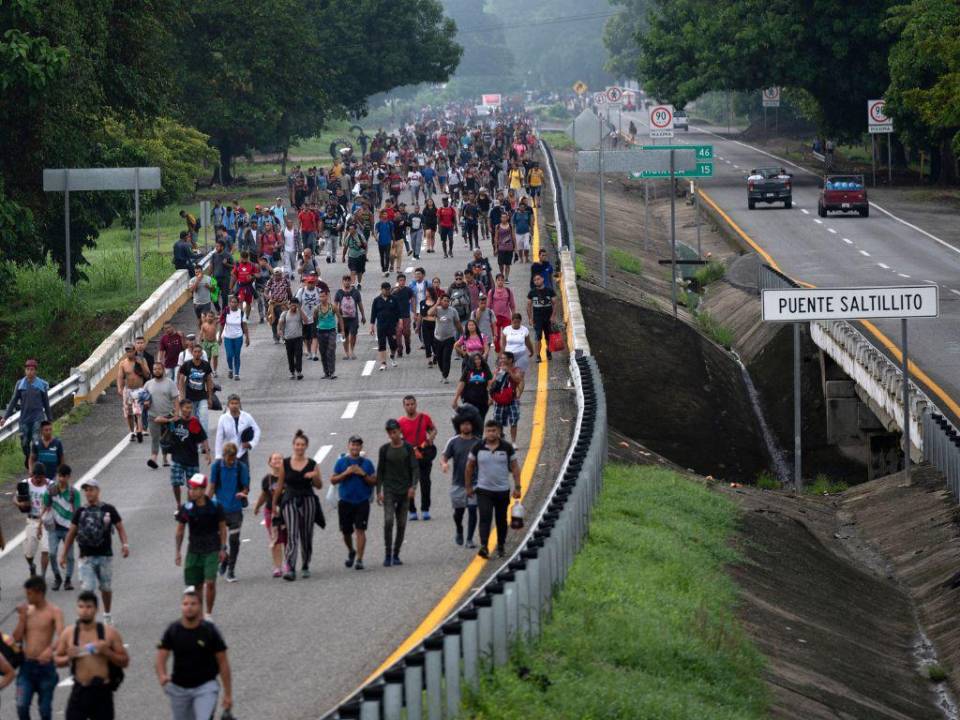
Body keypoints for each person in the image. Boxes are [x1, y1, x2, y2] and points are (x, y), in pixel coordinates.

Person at [59, 479, 129, 626]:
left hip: (105, 556)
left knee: (105, 588)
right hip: (86, 558)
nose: (88, 493)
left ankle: (107, 614)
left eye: (91, 489)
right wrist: (64, 554)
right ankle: (88, 619)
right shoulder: (80, 511)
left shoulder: (108, 509)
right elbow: (71, 533)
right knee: (87, 590)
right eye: (86, 490)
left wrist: (125, 544)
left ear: (98, 491)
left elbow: (120, 527)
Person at [156, 589, 233, 719]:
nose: (189, 607)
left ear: (200, 606)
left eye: (193, 604)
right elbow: (161, 657)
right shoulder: (173, 630)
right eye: (185, 604)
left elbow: (223, 662)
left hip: (206, 686)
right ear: (181, 606)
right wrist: (162, 675)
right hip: (179, 688)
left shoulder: (209, 631)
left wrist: (228, 694)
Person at [54, 590, 129, 720]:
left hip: (102, 692)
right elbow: (56, 660)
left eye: (89, 607)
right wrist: (69, 658)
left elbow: (125, 661)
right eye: (81, 606)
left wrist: (107, 652)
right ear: (76, 608)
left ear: (96, 609)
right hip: (79, 690)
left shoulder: (109, 633)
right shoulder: (69, 633)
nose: (84, 610)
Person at [465, 420, 522, 559]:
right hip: (484, 490)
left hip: (502, 491)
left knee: (501, 519)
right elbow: (469, 467)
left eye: (494, 430)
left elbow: (515, 467)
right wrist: (468, 487)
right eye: (488, 430)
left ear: (499, 432)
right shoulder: (477, 447)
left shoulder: (507, 447)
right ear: (485, 432)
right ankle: (484, 546)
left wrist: (518, 486)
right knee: (485, 517)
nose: (491, 433)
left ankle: (501, 545)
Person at [272, 430, 323, 581]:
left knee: (306, 534)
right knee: (292, 534)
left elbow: (319, 486)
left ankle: (305, 564)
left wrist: (314, 477)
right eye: (297, 444)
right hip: (290, 500)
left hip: (307, 499)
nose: (299, 447)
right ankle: (291, 567)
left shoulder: (312, 464)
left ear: (306, 446)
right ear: (293, 446)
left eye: (302, 445)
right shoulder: (285, 464)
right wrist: (275, 505)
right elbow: (280, 485)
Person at [175, 474, 226, 618]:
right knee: (196, 586)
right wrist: (178, 551)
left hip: (212, 549)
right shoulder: (187, 508)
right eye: (191, 488)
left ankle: (208, 615)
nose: (192, 491)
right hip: (194, 550)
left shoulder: (215, 506)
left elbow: (222, 528)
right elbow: (180, 530)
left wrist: (223, 548)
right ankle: (200, 615)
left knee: (210, 582)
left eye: (196, 489)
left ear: (203, 490)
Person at [13, 576, 63, 720]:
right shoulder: (26, 612)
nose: (27, 597)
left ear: (39, 592)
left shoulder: (54, 611)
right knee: (22, 707)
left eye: (29, 593)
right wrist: (22, 618)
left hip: (46, 667)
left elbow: (62, 636)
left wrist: (50, 650)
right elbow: (16, 639)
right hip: (26, 666)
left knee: (45, 710)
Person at [330, 436, 376, 571]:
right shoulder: (341, 462)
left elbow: (374, 481)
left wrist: (362, 474)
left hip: (362, 501)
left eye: (358, 445)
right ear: (348, 446)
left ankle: (360, 559)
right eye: (353, 445)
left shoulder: (367, 463)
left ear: (361, 447)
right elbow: (333, 480)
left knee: (360, 530)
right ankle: (351, 550)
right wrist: (346, 473)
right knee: (346, 532)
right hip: (345, 501)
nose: (355, 447)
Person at [377, 419, 419, 567]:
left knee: (401, 523)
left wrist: (413, 487)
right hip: (389, 490)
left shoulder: (407, 448)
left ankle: (396, 554)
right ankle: (388, 554)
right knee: (388, 521)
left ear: (400, 431)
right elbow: (380, 471)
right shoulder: (384, 450)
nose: (393, 435)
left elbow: (415, 468)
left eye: (395, 432)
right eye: (390, 432)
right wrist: (378, 491)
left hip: (404, 490)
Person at [156, 399, 211, 509]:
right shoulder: (176, 420)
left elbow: (203, 437)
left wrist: (207, 453)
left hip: (192, 460)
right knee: (175, 482)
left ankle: (190, 506)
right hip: (177, 458)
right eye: (186, 408)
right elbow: (157, 419)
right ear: (181, 409)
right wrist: (170, 420)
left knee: (192, 487)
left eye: (190, 408)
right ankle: (178, 504)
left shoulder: (194, 421)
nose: (188, 410)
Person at [208, 443, 249, 583]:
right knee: (219, 542)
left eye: (233, 458)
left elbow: (246, 487)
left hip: (236, 509)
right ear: (224, 455)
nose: (231, 461)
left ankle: (231, 570)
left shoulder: (241, 467)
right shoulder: (217, 467)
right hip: (220, 509)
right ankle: (224, 558)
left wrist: (243, 493)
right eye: (229, 458)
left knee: (234, 540)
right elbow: (212, 487)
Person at [41, 464, 81, 592]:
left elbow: (77, 511)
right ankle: (57, 577)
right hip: (54, 528)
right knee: (52, 554)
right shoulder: (50, 490)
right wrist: (38, 524)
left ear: (68, 477)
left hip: (68, 529)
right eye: (59, 476)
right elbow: (45, 506)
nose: (60, 479)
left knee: (70, 557)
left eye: (63, 476)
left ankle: (68, 579)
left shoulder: (74, 493)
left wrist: (77, 529)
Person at [442, 415, 481, 548]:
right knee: (458, 513)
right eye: (463, 424)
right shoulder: (453, 441)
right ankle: (459, 529)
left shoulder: (478, 442)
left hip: (475, 483)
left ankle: (469, 539)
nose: (466, 426)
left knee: (472, 509)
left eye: (468, 424)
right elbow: (444, 456)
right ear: (459, 426)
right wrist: (444, 464)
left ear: (473, 426)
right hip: (458, 483)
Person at [398, 396, 437, 522]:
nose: (410, 407)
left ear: (416, 404)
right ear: (404, 406)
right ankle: (412, 511)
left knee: (425, 482)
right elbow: (396, 440)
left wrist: (430, 438)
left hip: (424, 455)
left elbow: (433, 430)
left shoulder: (424, 417)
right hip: (408, 457)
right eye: (407, 404)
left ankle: (425, 510)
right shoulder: (400, 422)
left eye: (412, 404)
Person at [253, 453, 287, 578]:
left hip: (286, 511)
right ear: (270, 462)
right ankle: (278, 567)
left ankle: (288, 563)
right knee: (275, 539)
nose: (277, 460)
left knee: (287, 538)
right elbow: (264, 495)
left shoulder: (288, 477)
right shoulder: (267, 479)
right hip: (270, 512)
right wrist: (257, 506)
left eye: (280, 458)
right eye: (274, 459)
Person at [17, 462, 52, 578]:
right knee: (29, 553)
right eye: (36, 477)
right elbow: (15, 498)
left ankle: (42, 575)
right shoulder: (25, 484)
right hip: (32, 520)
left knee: (45, 550)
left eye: (40, 477)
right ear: (33, 475)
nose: (38, 480)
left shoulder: (50, 485)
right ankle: (32, 565)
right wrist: (20, 504)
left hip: (45, 521)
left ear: (44, 476)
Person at [143, 362, 179, 470]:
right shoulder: (148, 384)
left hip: (167, 416)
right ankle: (153, 459)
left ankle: (165, 459)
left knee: (166, 439)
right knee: (155, 438)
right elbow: (143, 399)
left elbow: (176, 399)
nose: (157, 371)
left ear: (163, 370)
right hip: (152, 416)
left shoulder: (170, 383)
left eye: (159, 369)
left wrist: (177, 414)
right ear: (152, 371)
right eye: (154, 369)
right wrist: (145, 404)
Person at [214, 393, 260, 468]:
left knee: (245, 476)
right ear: (228, 405)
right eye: (232, 403)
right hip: (228, 453)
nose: (234, 405)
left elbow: (257, 430)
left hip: (242, 452)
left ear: (239, 404)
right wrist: (218, 456)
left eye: (236, 403)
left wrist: (251, 443)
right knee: (230, 476)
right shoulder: (223, 418)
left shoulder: (247, 417)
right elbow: (219, 438)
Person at [177, 344, 214, 437]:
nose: (197, 354)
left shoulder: (205, 365)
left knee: (204, 417)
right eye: (195, 352)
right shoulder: (187, 365)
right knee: (192, 419)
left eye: (199, 352)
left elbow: (209, 381)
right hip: (190, 398)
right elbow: (181, 381)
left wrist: (210, 397)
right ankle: (194, 441)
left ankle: (203, 440)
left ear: (202, 353)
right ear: (192, 353)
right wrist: (182, 397)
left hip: (202, 397)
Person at [116, 343, 150, 443]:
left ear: (134, 351)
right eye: (127, 351)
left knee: (138, 411)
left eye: (130, 351)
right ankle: (132, 432)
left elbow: (147, 375)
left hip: (139, 389)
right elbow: (120, 377)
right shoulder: (123, 363)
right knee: (129, 413)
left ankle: (139, 430)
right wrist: (119, 388)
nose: (129, 353)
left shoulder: (142, 360)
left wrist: (140, 364)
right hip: (128, 390)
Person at [491, 351, 525, 444]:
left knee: (514, 421)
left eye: (503, 358)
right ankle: (501, 438)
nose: (501, 360)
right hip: (499, 399)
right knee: (498, 422)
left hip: (512, 399)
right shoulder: (498, 369)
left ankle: (513, 442)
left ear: (510, 360)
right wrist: (497, 374)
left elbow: (518, 379)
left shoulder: (517, 370)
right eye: (501, 358)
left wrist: (509, 371)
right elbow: (492, 383)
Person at [428, 294, 462, 383]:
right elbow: (429, 313)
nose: (446, 302)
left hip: (449, 338)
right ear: (441, 301)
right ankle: (443, 372)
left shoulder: (453, 311)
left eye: (447, 301)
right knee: (439, 358)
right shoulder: (437, 310)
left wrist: (463, 335)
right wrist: (436, 304)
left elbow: (458, 324)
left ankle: (445, 376)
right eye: (444, 300)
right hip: (438, 338)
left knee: (446, 357)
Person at [527, 272, 558, 362]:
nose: (537, 281)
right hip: (537, 319)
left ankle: (548, 351)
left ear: (542, 279)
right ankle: (538, 356)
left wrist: (553, 316)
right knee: (538, 336)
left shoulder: (549, 291)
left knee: (548, 337)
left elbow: (555, 304)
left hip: (548, 318)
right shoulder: (532, 292)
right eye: (535, 280)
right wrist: (530, 318)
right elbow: (528, 306)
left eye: (538, 279)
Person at [217, 295, 250, 381]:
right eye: (232, 302)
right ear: (229, 303)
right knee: (229, 355)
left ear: (238, 304)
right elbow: (222, 324)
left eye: (235, 302)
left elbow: (245, 326)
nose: (233, 304)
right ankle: (230, 369)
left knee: (236, 355)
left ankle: (236, 374)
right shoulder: (226, 312)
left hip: (238, 337)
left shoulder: (241, 313)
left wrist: (247, 337)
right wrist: (220, 336)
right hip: (228, 337)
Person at [453, 353, 494, 422]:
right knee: (471, 419)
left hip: (483, 400)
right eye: (475, 359)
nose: (477, 361)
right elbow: (462, 384)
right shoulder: (468, 370)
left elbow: (490, 383)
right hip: (469, 399)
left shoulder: (485, 369)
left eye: (479, 359)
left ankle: (479, 432)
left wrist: (491, 397)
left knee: (481, 419)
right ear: (472, 361)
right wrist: (455, 399)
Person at [370, 281, 401, 371]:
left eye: (388, 290)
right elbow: (373, 313)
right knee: (382, 344)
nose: (387, 291)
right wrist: (372, 325)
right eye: (385, 290)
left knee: (394, 344)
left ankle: (392, 355)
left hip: (392, 326)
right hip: (381, 326)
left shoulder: (394, 299)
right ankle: (383, 363)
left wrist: (399, 323)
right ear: (381, 289)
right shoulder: (376, 300)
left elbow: (398, 312)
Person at [334, 274, 365, 360]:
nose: (347, 282)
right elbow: (335, 305)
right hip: (342, 318)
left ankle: (352, 350)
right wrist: (335, 315)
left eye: (348, 280)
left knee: (353, 334)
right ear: (342, 281)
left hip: (353, 318)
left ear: (351, 281)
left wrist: (363, 315)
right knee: (344, 335)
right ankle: (346, 352)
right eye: (345, 280)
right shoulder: (339, 292)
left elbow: (360, 304)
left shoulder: (355, 292)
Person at [313, 288, 340, 379]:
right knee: (323, 352)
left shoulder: (333, 307)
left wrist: (342, 330)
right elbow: (315, 319)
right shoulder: (317, 308)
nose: (321, 298)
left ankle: (332, 372)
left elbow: (340, 318)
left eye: (323, 296)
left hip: (331, 331)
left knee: (331, 351)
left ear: (327, 297)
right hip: (321, 332)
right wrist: (316, 331)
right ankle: (326, 372)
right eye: (320, 296)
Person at [278, 297, 307, 380]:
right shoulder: (285, 314)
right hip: (288, 338)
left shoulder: (299, 313)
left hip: (298, 337)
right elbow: (280, 323)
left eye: (295, 305)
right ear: (289, 305)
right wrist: (280, 330)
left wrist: (300, 309)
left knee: (298, 355)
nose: (293, 306)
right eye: (291, 304)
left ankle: (299, 371)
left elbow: (306, 320)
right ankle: (292, 372)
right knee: (290, 356)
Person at [501, 313, 534, 377]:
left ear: (520, 321)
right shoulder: (506, 330)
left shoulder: (525, 330)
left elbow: (528, 342)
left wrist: (531, 351)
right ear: (511, 321)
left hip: (521, 355)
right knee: (508, 375)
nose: (516, 324)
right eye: (514, 322)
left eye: (518, 322)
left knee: (519, 376)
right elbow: (503, 344)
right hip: (509, 356)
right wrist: (501, 356)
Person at [493, 212, 516, 283]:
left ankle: (506, 278)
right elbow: (496, 237)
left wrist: (515, 247)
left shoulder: (510, 226)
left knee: (508, 264)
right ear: (500, 218)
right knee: (501, 264)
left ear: (507, 218)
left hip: (509, 248)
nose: (504, 219)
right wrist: (496, 248)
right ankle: (502, 275)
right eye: (502, 217)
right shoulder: (498, 226)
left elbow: (513, 236)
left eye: (505, 217)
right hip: (501, 248)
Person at [513, 198, 534, 264]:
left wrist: (532, 230)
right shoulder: (516, 214)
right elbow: (513, 224)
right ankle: (521, 259)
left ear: (525, 208)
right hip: (518, 233)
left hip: (526, 232)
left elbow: (530, 223)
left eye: (523, 207)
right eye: (521, 207)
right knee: (520, 247)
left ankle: (527, 258)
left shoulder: (527, 214)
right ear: (519, 207)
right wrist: (513, 233)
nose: (522, 208)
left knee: (526, 246)